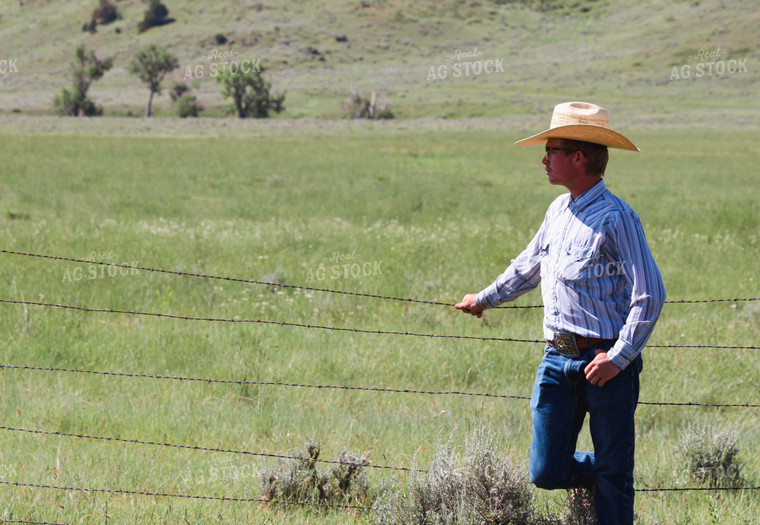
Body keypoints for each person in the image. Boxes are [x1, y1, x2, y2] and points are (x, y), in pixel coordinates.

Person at [455, 101, 666, 525]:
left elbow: (651, 293)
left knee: (613, 479)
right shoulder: (557, 210)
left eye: (552, 150)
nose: (544, 159)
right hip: (556, 360)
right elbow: (527, 266)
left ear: (579, 157)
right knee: (546, 470)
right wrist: (485, 298)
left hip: (605, 362)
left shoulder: (617, 217)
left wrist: (619, 357)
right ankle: (607, 471)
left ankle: (611, 475)